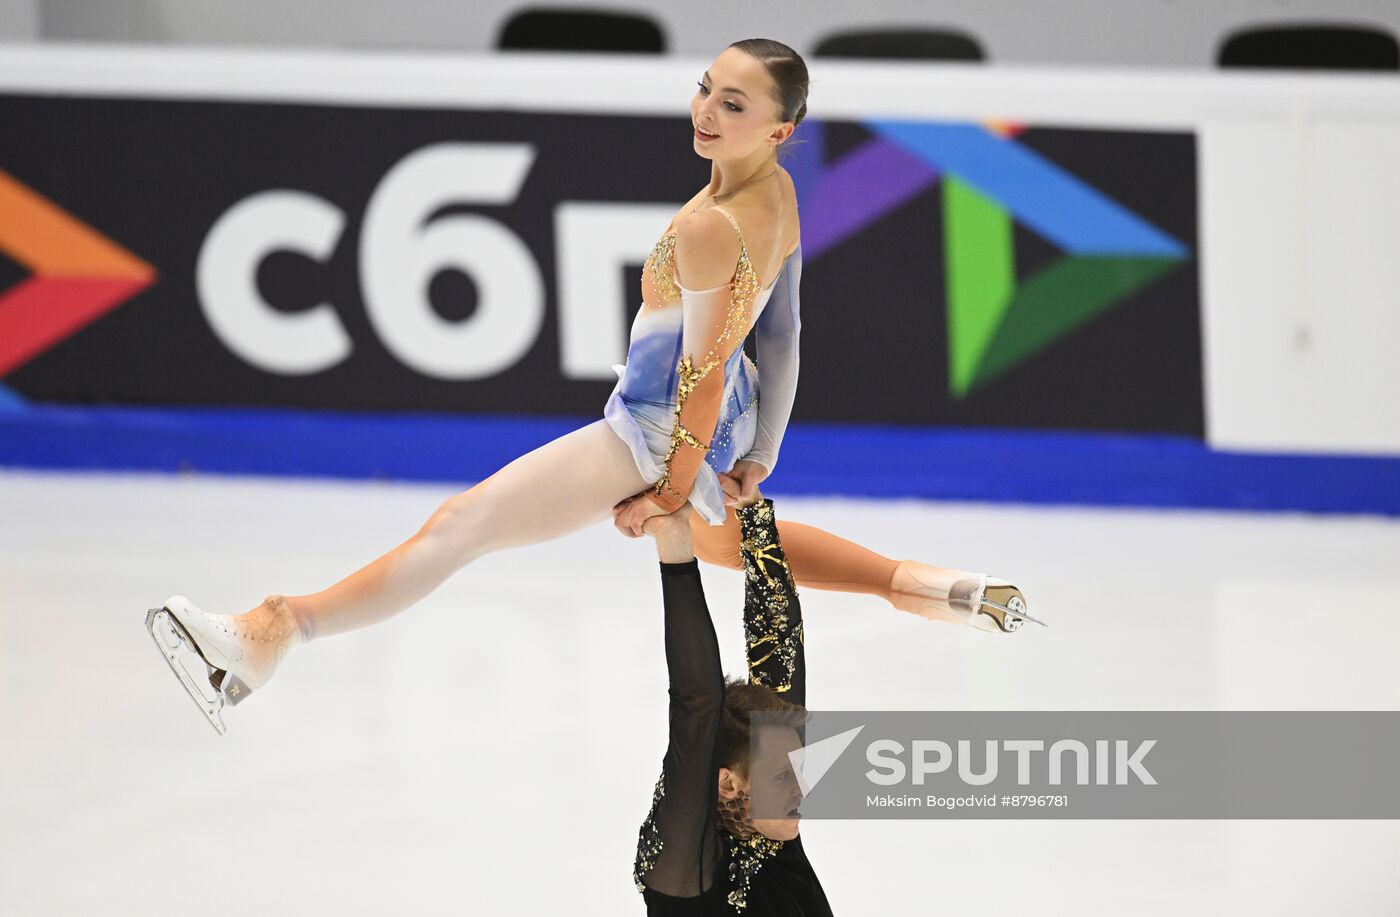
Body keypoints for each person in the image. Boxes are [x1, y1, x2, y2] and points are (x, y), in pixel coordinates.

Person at [144, 39, 1039, 736]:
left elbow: (705, 370)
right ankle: (927, 585)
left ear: (778, 130)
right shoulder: (780, 195)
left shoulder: (707, 225)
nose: (706, 110)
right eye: (704, 88)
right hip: (718, 426)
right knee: (738, 549)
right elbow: (784, 332)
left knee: (461, 526)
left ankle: (275, 628)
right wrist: (757, 451)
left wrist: (670, 491)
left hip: (654, 430)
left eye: (734, 104)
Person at [631, 491, 830, 914]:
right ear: (727, 783)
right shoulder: (682, 869)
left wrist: (752, 510)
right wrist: (674, 545)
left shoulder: (769, 825)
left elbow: (780, 642)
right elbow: (696, 702)